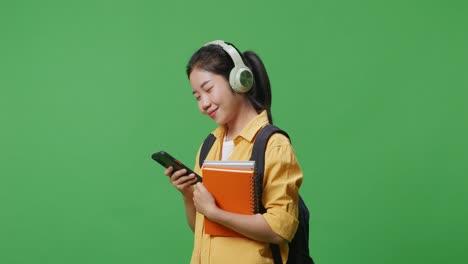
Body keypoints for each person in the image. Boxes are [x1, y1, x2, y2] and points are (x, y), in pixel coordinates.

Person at [164, 40, 303, 264]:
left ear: (238, 80)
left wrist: (215, 213)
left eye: (208, 89)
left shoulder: (273, 145)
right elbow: (201, 229)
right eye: (197, 97)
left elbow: (279, 230)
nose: (204, 104)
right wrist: (188, 196)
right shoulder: (210, 146)